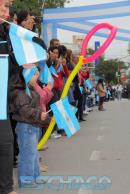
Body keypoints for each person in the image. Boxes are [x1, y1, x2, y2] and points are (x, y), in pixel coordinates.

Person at [0, 0, 17, 193]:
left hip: (2, 99)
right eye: (3, 7)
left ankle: (6, 188)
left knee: (5, 142)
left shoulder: (7, 34)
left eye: (8, 8)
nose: (6, 12)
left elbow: (9, 67)